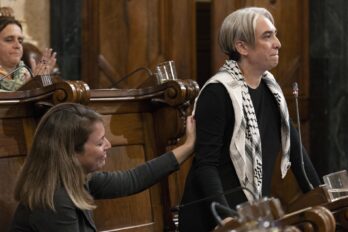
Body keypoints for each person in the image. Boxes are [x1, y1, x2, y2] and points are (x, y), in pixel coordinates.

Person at [178, 7, 321, 231]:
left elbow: (296, 151)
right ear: (242, 46)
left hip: (253, 215)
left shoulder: (271, 89)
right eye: (267, 36)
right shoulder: (218, 92)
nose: (278, 43)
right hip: (213, 218)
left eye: (274, 34)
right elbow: (206, 165)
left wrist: (321, 198)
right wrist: (228, 221)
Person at [10, 102, 195, 231]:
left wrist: (188, 146)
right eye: (99, 143)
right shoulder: (55, 199)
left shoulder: (75, 180)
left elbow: (133, 179)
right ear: (71, 153)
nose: (108, 145)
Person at [0, 12, 56, 91]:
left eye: (20, 41)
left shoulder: (27, 73)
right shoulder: (30, 80)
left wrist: (44, 81)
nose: (17, 46)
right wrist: (31, 86)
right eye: (9, 40)